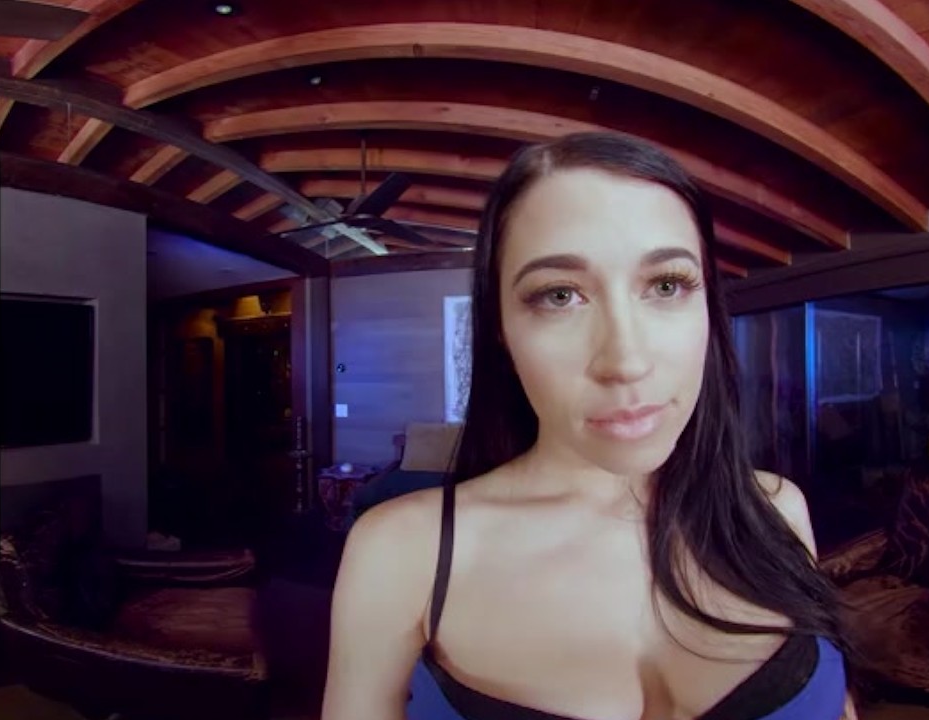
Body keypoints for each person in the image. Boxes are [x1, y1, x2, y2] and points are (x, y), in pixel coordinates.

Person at [322, 131, 859, 720]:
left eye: (667, 285)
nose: (625, 361)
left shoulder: (777, 510)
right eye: (559, 295)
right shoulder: (404, 553)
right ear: (500, 327)